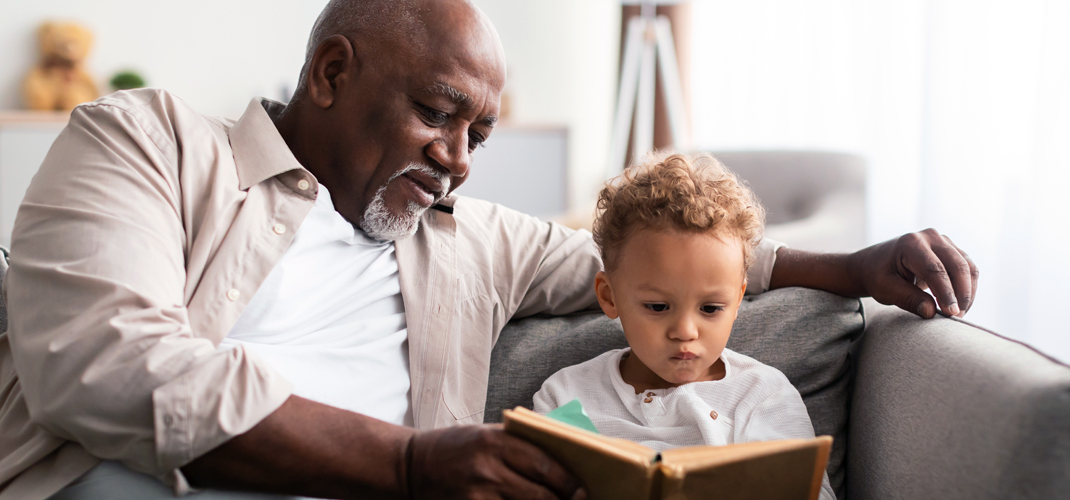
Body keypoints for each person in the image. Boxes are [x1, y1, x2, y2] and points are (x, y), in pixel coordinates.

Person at [0, 0, 978, 499]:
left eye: (481, 136)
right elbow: (106, 366)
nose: (459, 160)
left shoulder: (469, 240)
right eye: (439, 115)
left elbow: (653, 254)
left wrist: (847, 268)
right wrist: (411, 463)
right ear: (334, 72)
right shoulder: (152, 143)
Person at [533, 152, 836, 500]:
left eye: (710, 308)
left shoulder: (761, 393)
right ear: (609, 296)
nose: (685, 331)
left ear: (737, 301)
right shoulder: (567, 394)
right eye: (658, 307)